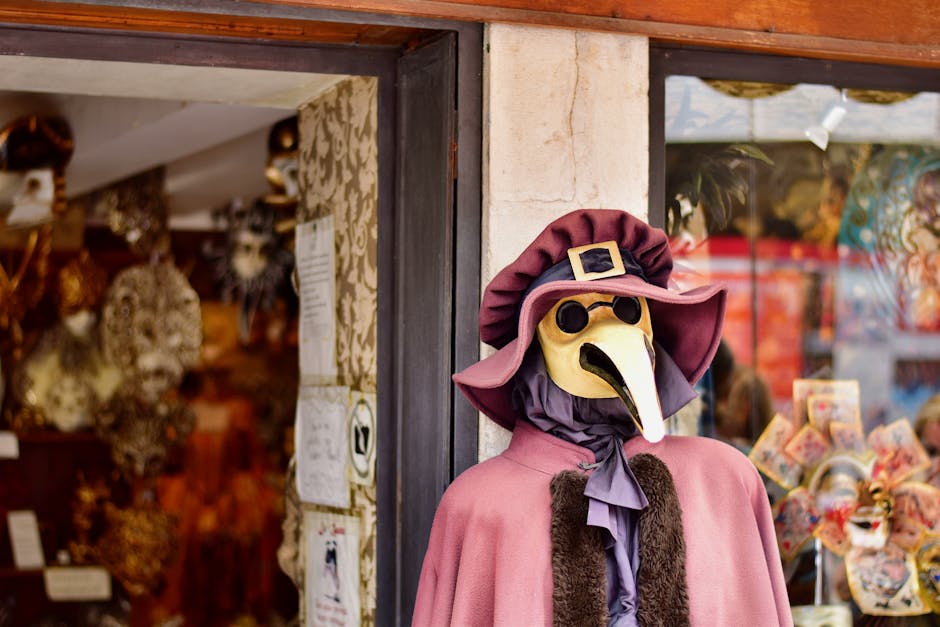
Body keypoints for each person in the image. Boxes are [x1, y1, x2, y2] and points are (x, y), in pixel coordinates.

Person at [413, 209, 792, 626]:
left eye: (627, 309)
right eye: (571, 317)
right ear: (533, 350)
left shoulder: (726, 482)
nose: (608, 329)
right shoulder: (479, 507)